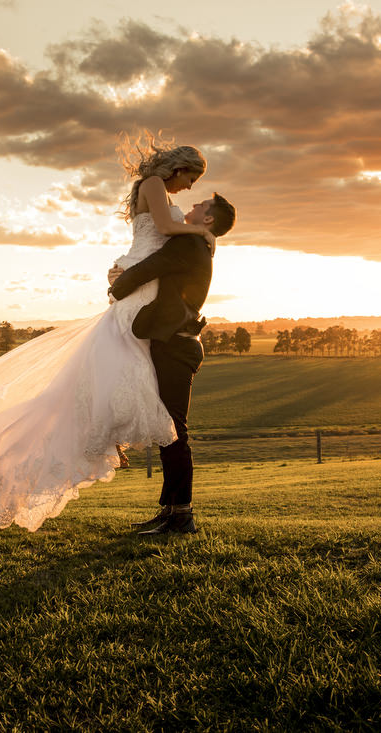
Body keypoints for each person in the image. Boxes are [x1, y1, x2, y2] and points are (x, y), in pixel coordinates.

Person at [0, 140, 216, 532]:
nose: (189, 189)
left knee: (132, 376)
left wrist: (129, 271)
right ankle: (115, 437)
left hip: (149, 296)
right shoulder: (154, 184)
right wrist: (203, 231)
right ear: (179, 167)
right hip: (142, 287)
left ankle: (145, 470)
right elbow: (166, 229)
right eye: (192, 177)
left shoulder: (174, 216)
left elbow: (166, 249)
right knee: (123, 369)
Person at [108, 192, 236, 535]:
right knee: (168, 432)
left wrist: (116, 287)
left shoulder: (189, 246)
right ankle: (169, 510)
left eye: (199, 206)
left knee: (174, 432)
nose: (191, 206)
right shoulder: (197, 245)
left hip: (177, 349)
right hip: (174, 344)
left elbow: (151, 268)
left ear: (207, 219)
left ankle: (182, 515)